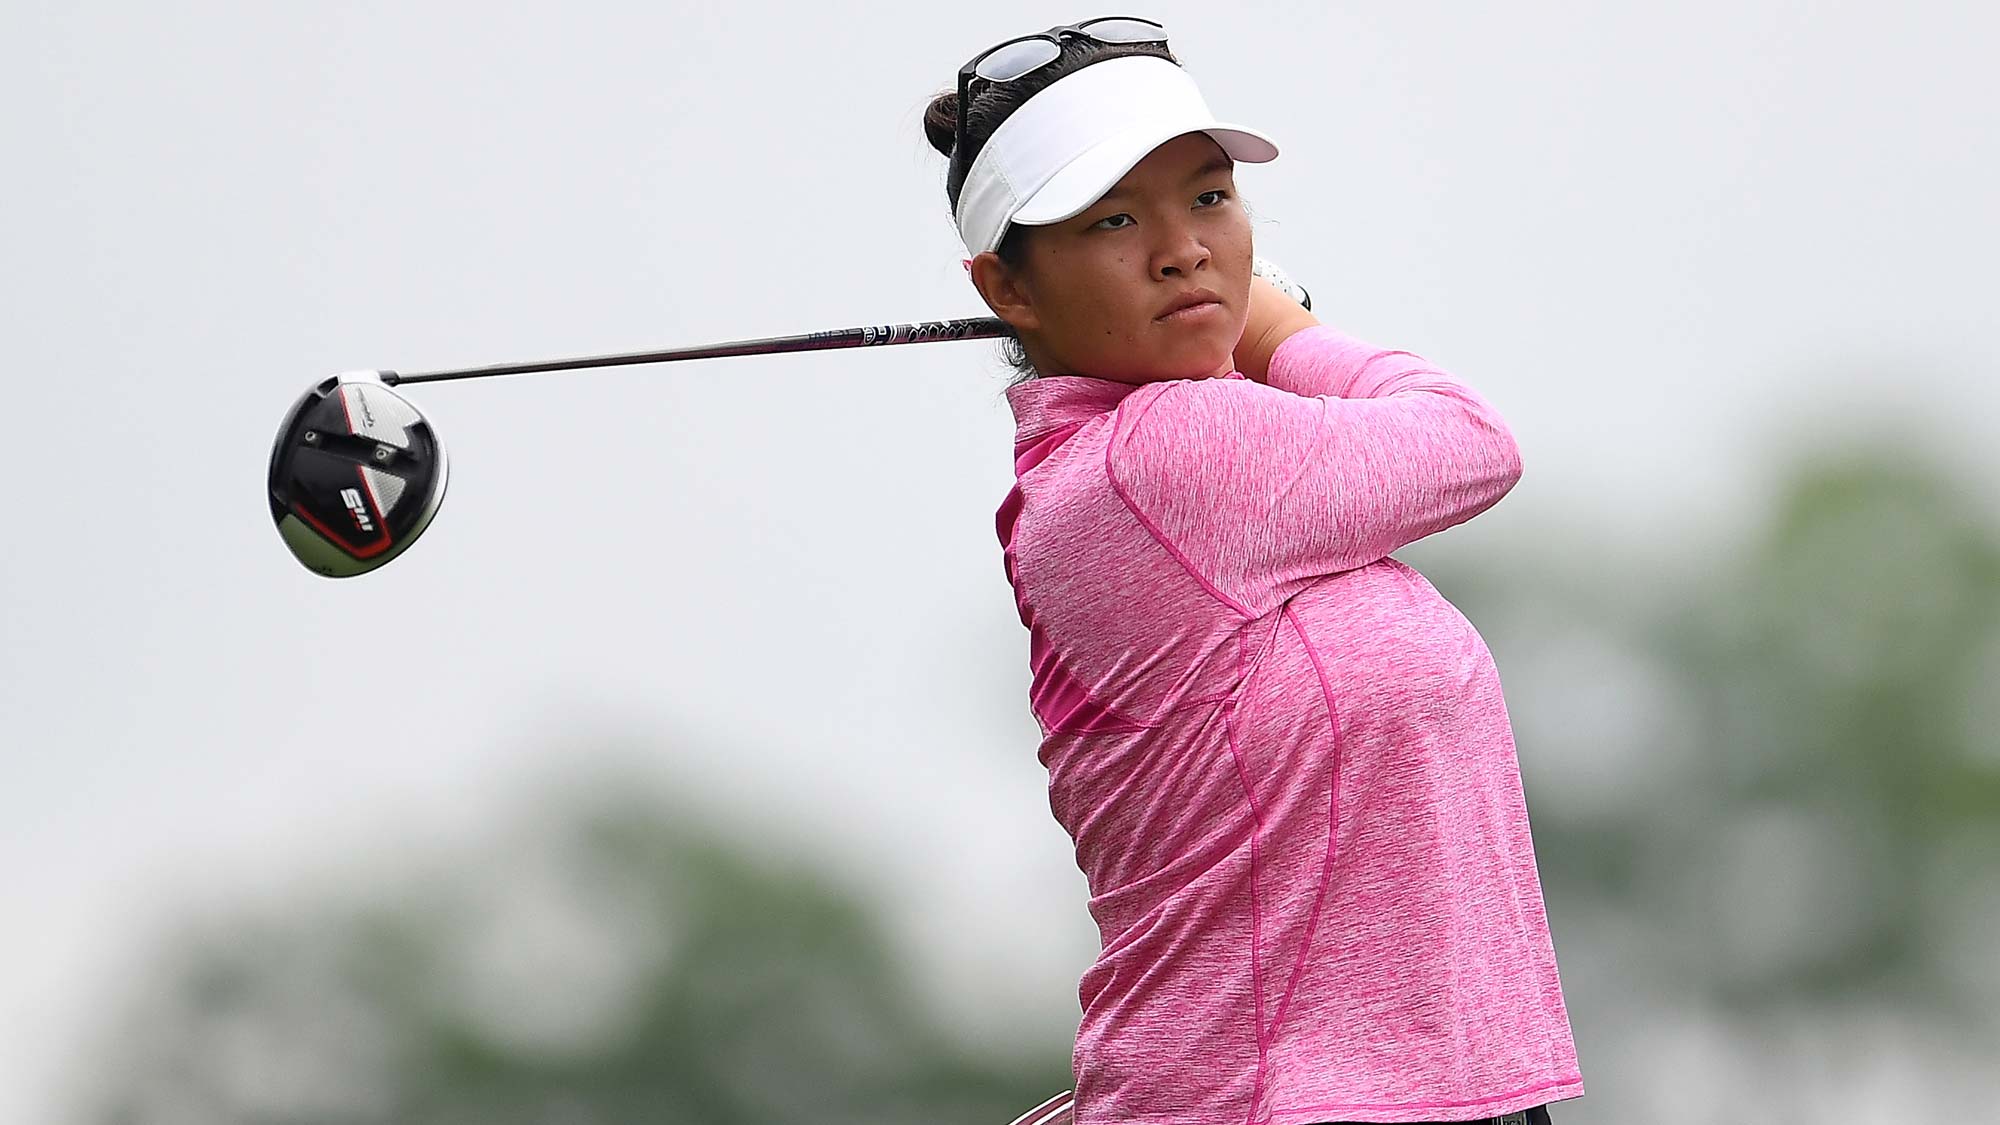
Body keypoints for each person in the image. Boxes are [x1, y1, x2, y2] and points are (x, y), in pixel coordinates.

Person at [920, 19, 1584, 1125]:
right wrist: (1274, 321)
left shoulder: (1155, 464)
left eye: (1209, 200)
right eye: (1115, 220)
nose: (1180, 248)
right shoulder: (1161, 457)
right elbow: (1471, 442)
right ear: (1009, 288)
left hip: (1408, 1097)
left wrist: (1241, 337)